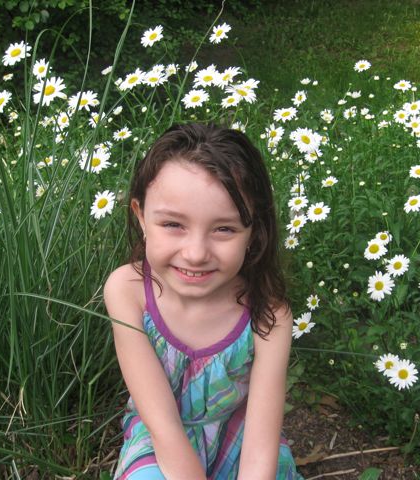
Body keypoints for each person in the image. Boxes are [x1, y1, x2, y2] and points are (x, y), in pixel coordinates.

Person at [104, 123, 304, 479]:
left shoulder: (268, 313)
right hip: (160, 437)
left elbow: (260, 445)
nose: (196, 254)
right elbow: (162, 425)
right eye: (173, 225)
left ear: (253, 232)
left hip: (239, 437)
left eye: (224, 229)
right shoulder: (127, 290)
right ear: (141, 216)